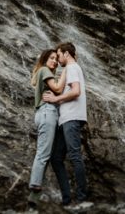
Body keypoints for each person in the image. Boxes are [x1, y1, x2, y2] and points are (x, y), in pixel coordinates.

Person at [42, 41, 88, 205]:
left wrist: (55, 98)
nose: (58, 59)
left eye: (59, 55)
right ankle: (67, 199)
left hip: (72, 118)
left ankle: (82, 198)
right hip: (65, 119)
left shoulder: (72, 67)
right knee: (56, 158)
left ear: (66, 54)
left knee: (75, 156)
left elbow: (76, 91)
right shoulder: (70, 69)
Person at [27, 48, 65, 208]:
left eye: (56, 59)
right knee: (43, 154)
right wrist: (66, 70)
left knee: (46, 154)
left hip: (46, 113)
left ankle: (34, 198)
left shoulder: (43, 72)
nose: (55, 61)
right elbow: (57, 88)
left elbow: (56, 94)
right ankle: (34, 189)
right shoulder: (44, 70)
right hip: (47, 113)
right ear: (44, 60)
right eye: (51, 58)